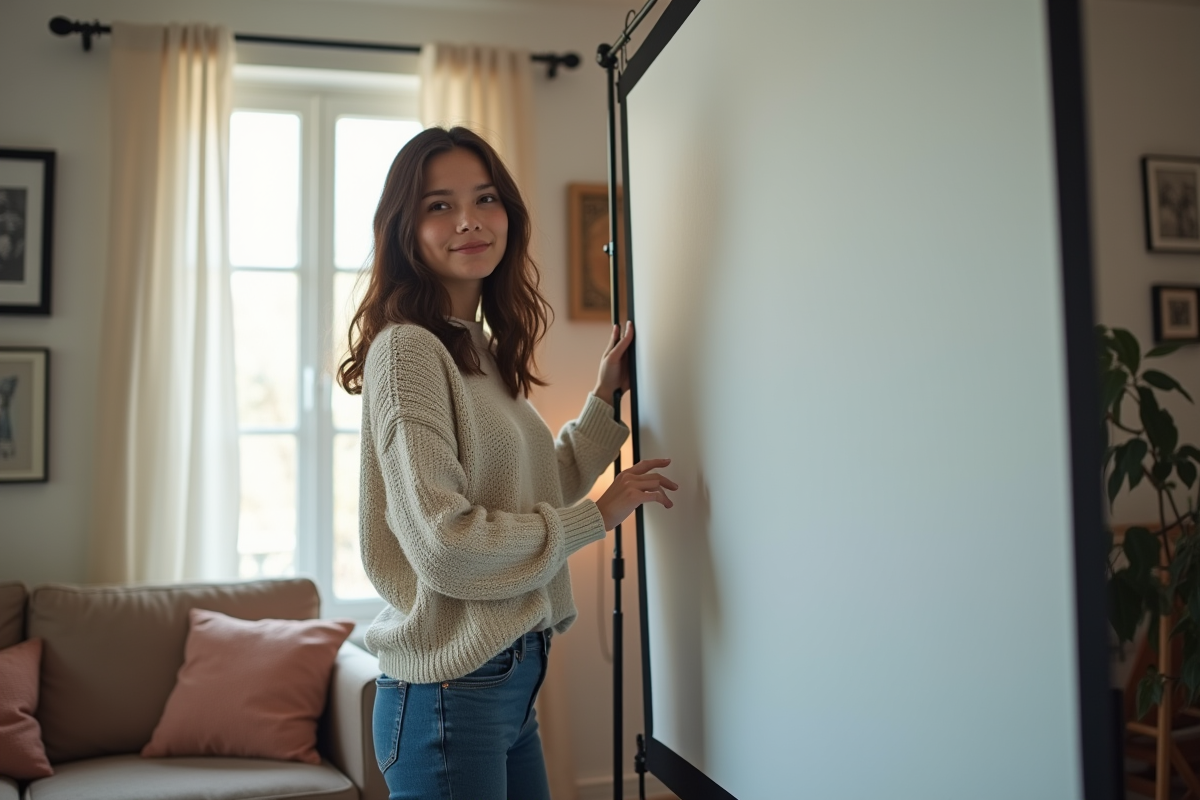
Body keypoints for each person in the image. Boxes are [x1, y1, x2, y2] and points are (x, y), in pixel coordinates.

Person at [336, 126, 678, 800]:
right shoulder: (407, 352)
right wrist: (597, 518)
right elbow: (445, 544)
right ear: (406, 229)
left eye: (484, 198)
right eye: (438, 205)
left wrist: (606, 394)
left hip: (508, 681)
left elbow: (535, 487)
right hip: (449, 694)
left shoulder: (475, 349)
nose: (468, 221)